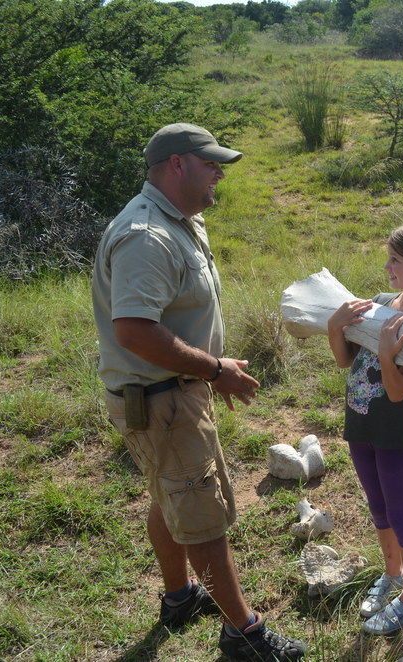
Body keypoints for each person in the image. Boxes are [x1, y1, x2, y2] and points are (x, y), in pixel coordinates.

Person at [92, 123, 307, 661]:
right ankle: (246, 637)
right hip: (161, 397)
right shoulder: (148, 235)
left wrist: (208, 368)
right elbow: (134, 330)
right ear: (176, 165)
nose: (219, 173)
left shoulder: (180, 220)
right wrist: (214, 368)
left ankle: (179, 597)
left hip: (171, 392)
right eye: (210, 163)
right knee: (201, 514)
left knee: (171, 497)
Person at [325, 221, 403, 635]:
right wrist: (335, 327)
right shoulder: (380, 303)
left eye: (396, 260)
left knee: (401, 514)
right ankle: (392, 574)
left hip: (395, 434)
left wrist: (384, 354)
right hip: (359, 423)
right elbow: (346, 362)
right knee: (378, 507)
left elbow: (398, 393)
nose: (387, 266)